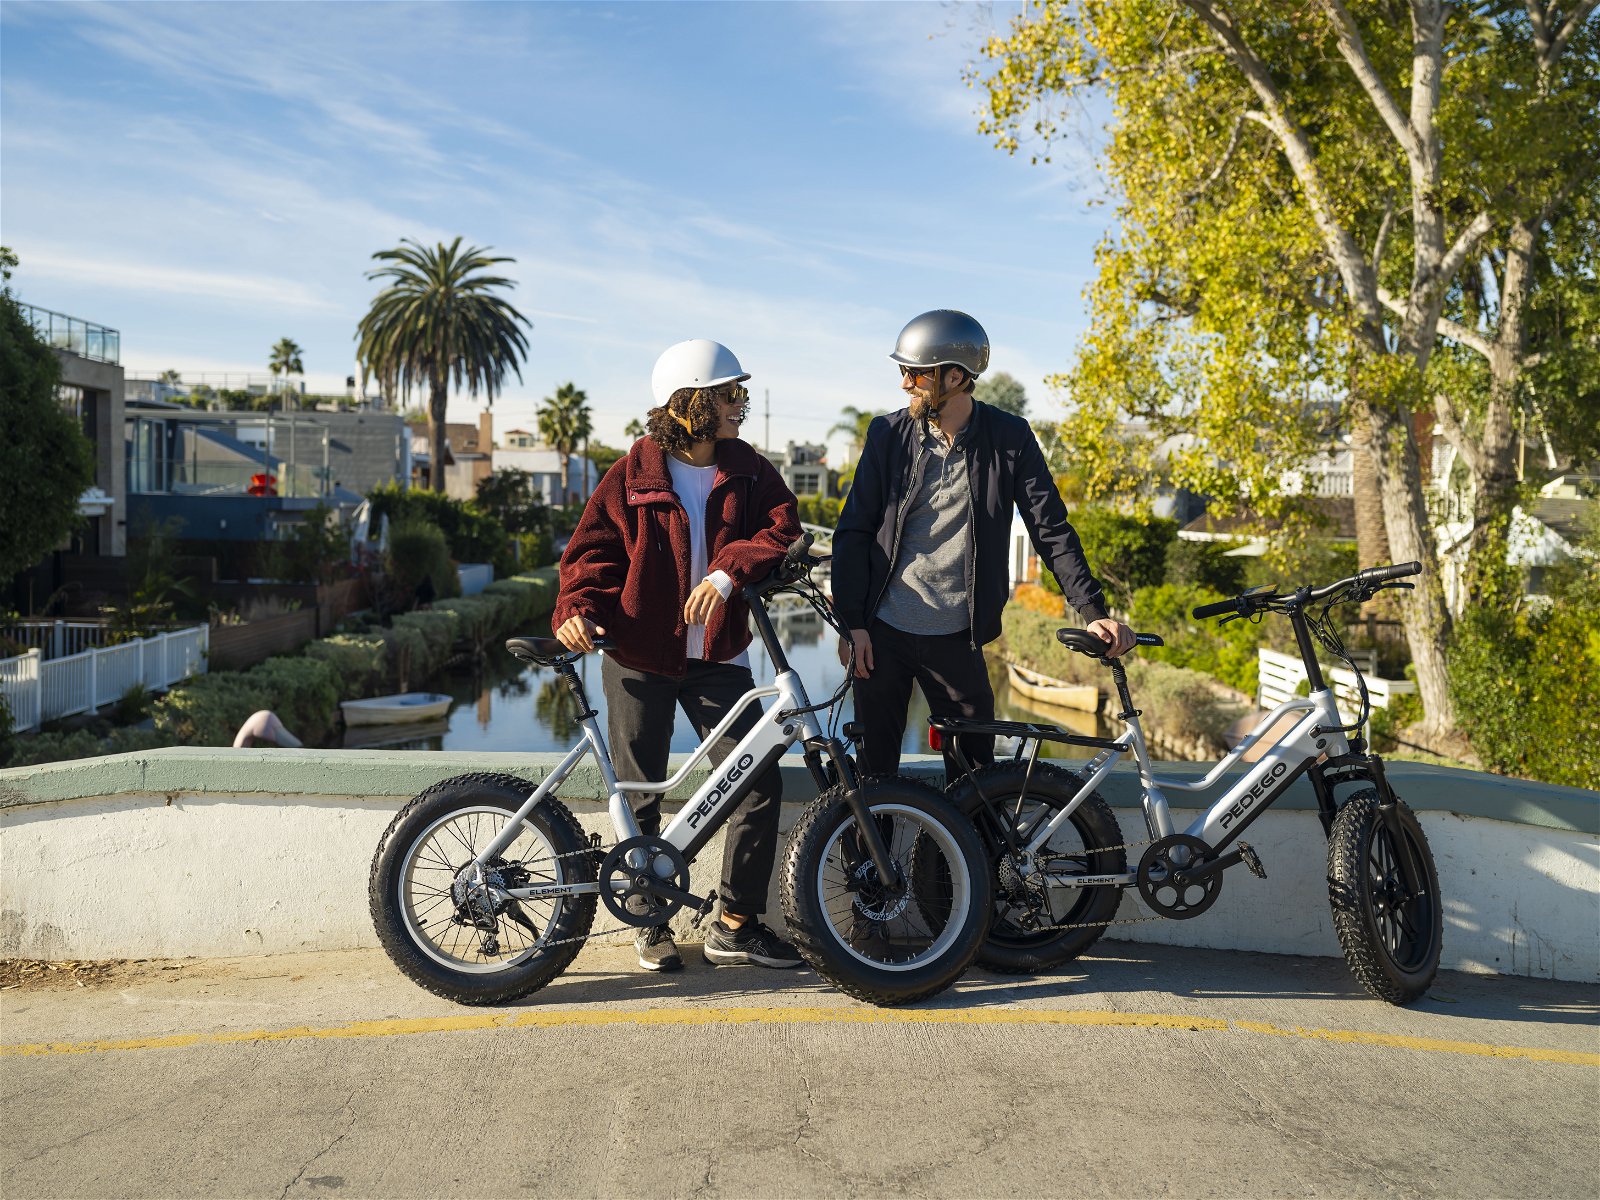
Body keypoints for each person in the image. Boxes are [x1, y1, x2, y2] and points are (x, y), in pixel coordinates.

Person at [551, 339, 805, 974]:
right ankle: (649, 921)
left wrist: (727, 573)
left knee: (755, 779)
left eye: (740, 393)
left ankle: (734, 925)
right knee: (639, 793)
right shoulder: (632, 472)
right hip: (638, 655)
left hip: (719, 655)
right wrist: (577, 607)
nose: (739, 404)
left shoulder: (750, 469)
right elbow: (591, 551)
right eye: (729, 394)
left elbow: (782, 532)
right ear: (691, 401)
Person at [832, 309, 1136, 781]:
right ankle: (869, 860)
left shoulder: (1009, 438)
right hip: (883, 631)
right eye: (902, 372)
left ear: (955, 376)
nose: (904, 384)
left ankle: (958, 859)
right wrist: (852, 624)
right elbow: (853, 530)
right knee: (873, 779)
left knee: (975, 781)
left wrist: (1092, 609)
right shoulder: (887, 434)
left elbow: (1050, 528)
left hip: (959, 636)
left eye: (914, 373)